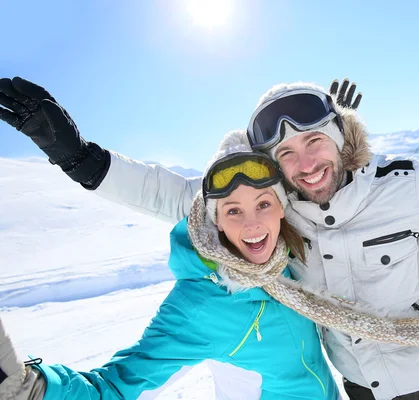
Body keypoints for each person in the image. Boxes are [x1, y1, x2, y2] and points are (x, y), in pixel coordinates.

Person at [2, 77, 419, 399]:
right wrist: (76, 156)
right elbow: (163, 192)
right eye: (286, 152)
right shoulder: (266, 204)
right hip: (362, 390)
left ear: (342, 137)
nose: (305, 162)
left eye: (315, 140)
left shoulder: (397, 189)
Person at [0, 131, 344, 400]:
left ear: (283, 208)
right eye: (233, 210)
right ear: (217, 222)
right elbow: (117, 388)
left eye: (263, 204)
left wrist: (334, 131)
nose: (253, 225)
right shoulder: (204, 305)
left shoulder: (289, 259)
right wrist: (28, 389)